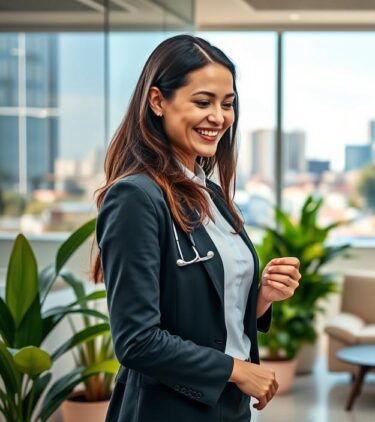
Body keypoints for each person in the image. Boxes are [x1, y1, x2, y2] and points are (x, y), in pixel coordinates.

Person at [94, 35, 301, 421]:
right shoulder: (136, 197)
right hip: (166, 410)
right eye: (203, 102)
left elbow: (209, 313)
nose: (219, 117)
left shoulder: (212, 194)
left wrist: (263, 296)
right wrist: (237, 370)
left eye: (228, 104)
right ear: (158, 101)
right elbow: (136, 341)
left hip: (228, 406)